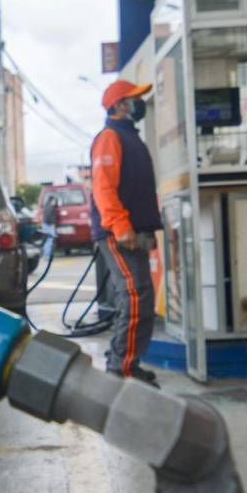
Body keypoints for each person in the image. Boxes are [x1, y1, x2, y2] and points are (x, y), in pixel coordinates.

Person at [90, 79, 163, 384]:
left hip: (134, 231)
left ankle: (128, 363)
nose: (139, 103)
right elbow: (103, 188)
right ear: (119, 105)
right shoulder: (109, 137)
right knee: (134, 296)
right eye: (134, 98)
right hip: (118, 233)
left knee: (140, 298)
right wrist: (121, 227)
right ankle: (121, 368)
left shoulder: (129, 137)